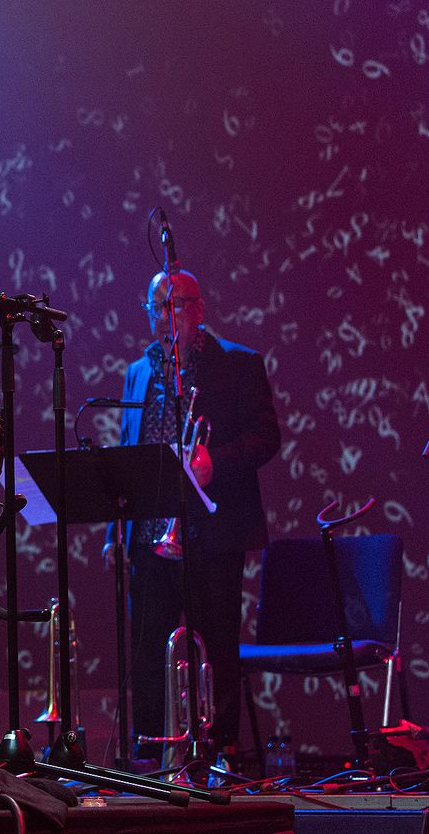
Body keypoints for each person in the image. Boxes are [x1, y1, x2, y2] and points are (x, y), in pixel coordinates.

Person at [118, 269, 280, 761]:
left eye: (177, 305)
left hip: (213, 530)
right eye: (156, 307)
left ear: (200, 309)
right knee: (147, 650)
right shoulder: (137, 371)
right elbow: (133, 447)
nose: (165, 317)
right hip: (151, 534)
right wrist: (117, 528)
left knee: (217, 646)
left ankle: (220, 749)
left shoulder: (239, 364)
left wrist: (217, 462)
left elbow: (266, 437)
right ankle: (151, 753)